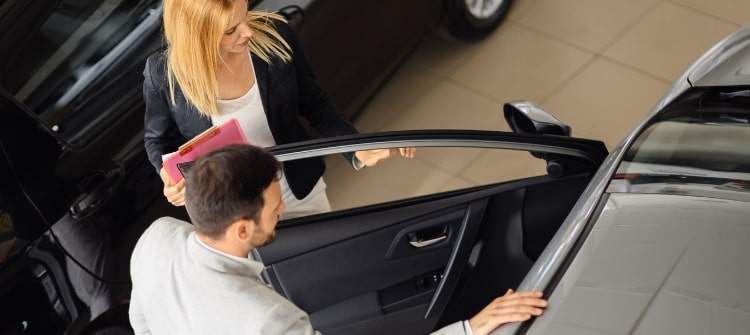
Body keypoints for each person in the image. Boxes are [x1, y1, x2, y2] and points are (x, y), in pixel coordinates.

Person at [129, 144, 547, 335]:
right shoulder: (268, 322)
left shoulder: (156, 239)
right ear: (242, 229)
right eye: (275, 209)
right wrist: (470, 329)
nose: (283, 212)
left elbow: (142, 326)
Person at [143, 0, 414, 218]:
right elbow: (158, 140)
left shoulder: (274, 35)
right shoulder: (164, 76)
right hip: (232, 212)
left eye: (245, 15)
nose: (247, 32)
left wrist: (356, 148)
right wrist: (170, 177)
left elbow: (315, 104)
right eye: (230, 30)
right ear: (197, 37)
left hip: (295, 189)